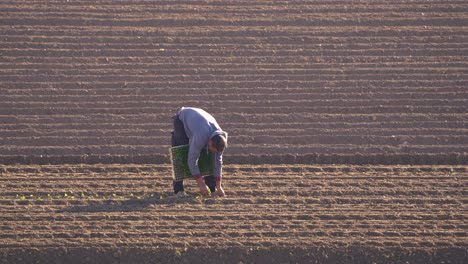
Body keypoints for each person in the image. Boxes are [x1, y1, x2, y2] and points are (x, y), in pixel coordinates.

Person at [171, 107, 228, 197]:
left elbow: (218, 162)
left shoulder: (221, 139)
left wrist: (219, 186)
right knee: (180, 153)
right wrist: (201, 184)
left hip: (199, 120)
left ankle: (211, 188)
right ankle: (178, 190)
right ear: (210, 142)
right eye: (211, 148)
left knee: (208, 156)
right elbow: (192, 161)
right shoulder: (201, 136)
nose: (214, 152)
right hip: (182, 120)